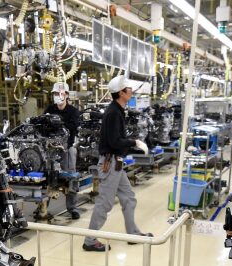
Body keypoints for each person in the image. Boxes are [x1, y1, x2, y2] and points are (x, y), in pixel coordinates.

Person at [82, 75, 151, 252]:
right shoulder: (113, 113)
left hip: (116, 164)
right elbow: (114, 142)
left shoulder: (118, 110)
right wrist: (134, 142)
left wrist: (131, 145)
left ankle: (132, 233)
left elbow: (116, 140)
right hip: (110, 163)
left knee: (128, 197)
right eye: (129, 89)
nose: (132, 92)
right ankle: (89, 241)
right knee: (105, 203)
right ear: (121, 93)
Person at [44, 81, 81, 219]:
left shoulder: (73, 112)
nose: (56, 96)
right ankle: (42, 206)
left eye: (58, 93)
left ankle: (72, 208)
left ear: (66, 95)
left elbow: (73, 126)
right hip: (50, 149)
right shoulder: (49, 109)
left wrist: (57, 123)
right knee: (45, 176)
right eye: (54, 93)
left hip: (67, 148)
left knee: (71, 176)